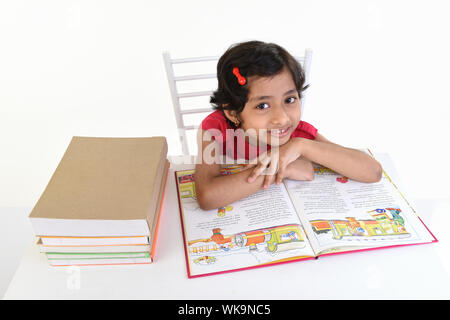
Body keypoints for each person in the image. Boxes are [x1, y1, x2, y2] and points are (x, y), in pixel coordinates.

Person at [194, 40, 382, 210]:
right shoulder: (215, 128)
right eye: (263, 105)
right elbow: (207, 197)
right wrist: (282, 168)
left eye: (290, 99)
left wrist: (301, 145)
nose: (282, 118)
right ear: (233, 113)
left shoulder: (299, 134)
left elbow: (372, 172)